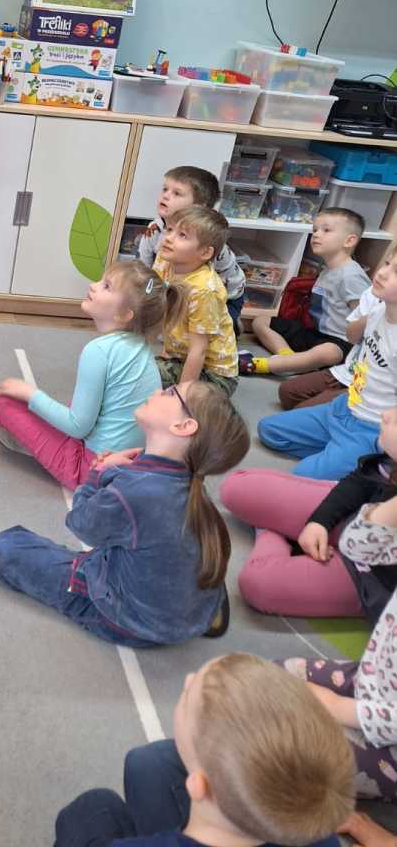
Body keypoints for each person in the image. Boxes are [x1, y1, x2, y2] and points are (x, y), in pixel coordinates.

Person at [0, 382, 249, 646]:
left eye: (171, 393)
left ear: (183, 426)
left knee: (7, 547)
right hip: (189, 614)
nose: (158, 391)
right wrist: (113, 473)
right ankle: (201, 606)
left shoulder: (136, 492)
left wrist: (96, 475)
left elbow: (80, 522)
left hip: (131, 622)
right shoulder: (191, 484)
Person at [54, 652, 354, 847]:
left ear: (198, 785)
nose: (187, 679)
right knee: (147, 764)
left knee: (94, 807)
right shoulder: (316, 833)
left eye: (187, 697)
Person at [0, 260, 184, 490]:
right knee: (73, 404)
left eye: (106, 286)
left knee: (6, 403)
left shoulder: (98, 351)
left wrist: (30, 393)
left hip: (92, 469)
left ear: (125, 315)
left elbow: (78, 427)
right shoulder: (141, 347)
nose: (93, 285)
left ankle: (32, 445)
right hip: (132, 463)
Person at [220, 406, 397, 619]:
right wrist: (320, 521)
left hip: (369, 577)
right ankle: (287, 529)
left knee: (259, 585)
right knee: (238, 488)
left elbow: (358, 547)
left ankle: (275, 531)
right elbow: (362, 480)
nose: (385, 414)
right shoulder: (388, 462)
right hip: (355, 516)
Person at [281, 492, 397, 804]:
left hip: (388, 739)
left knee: (278, 745)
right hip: (371, 683)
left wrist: (336, 707)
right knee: (264, 679)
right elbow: (356, 545)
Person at [256, 251, 397, 479]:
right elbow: (352, 336)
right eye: (387, 263)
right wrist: (370, 312)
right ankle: (340, 454)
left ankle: (368, 461)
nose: (382, 272)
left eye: (396, 272)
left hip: (370, 427)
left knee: (301, 474)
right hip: (344, 407)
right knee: (269, 430)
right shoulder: (378, 307)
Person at [240, 208, 368, 376]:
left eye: (326, 230)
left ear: (349, 241)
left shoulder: (351, 276)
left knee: (328, 352)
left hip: (339, 342)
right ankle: (288, 357)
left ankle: (263, 365)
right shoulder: (328, 270)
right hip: (313, 333)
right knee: (261, 321)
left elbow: (366, 317)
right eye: (315, 230)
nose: (316, 235)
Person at [137, 165, 246, 326]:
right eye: (165, 189)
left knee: (206, 330)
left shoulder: (207, 241)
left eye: (177, 193)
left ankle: (233, 324)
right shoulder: (154, 231)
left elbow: (206, 287)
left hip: (223, 297)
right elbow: (145, 270)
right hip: (179, 286)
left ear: (199, 207)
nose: (166, 195)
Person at [153, 207, 239, 395]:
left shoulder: (203, 290)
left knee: (143, 374)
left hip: (215, 377)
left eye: (182, 235)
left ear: (205, 253)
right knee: (132, 365)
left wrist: (182, 397)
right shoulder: (164, 260)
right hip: (180, 357)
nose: (168, 238)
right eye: (169, 230)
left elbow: (198, 351)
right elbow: (159, 305)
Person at [277, 284, 383, 410]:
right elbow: (351, 337)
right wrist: (374, 313)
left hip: (371, 389)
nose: (381, 275)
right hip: (349, 371)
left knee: (301, 411)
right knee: (287, 392)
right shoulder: (374, 293)